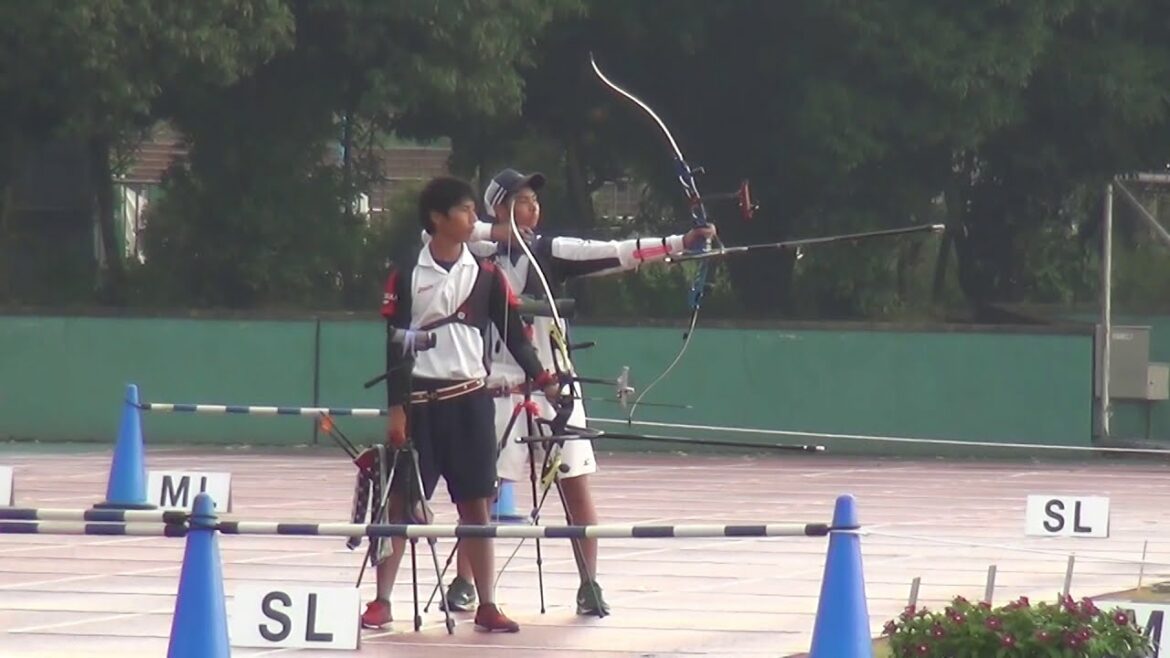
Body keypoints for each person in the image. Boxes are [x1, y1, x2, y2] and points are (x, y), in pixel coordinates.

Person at [438, 168, 717, 616]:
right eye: (522, 200)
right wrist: (498, 232)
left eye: (534, 201)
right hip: (498, 386)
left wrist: (680, 244)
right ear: (500, 209)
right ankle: (466, 582)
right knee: (482, 490)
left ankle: (590, 583)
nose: (533, 209)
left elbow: (617, 252)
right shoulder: (475, 254)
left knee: (574, 485)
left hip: (555, 385)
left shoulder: (552, 251)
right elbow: (439, 235)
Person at [360, 175, 561, 633]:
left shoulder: (486, 274)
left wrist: (543, 378)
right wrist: (397, 411)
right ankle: (382, 600)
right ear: (437, 218)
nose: (475, 219)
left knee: (476, 505)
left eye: (474, 211)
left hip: (469, 403)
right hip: (420, 405)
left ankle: (487, 603)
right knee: (400, 504)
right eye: (466, 211)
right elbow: (395, 346)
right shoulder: (407, 271)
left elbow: (514, 334)